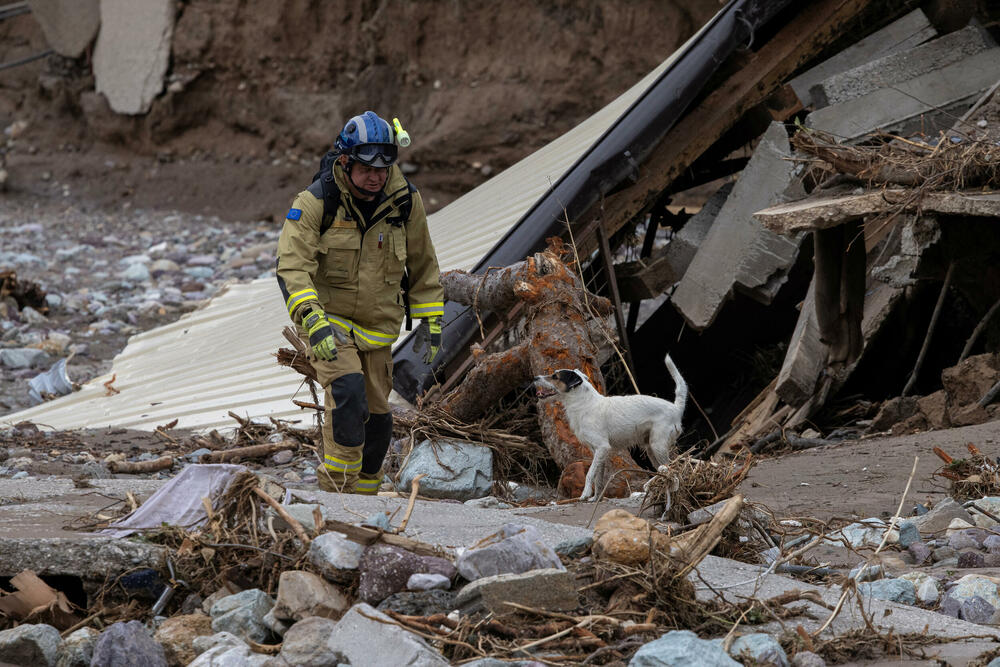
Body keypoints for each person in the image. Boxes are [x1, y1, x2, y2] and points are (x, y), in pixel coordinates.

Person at [276, 111, 443, 494]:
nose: (376, 177)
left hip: (377, 326)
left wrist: (433, 317)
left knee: (379, 417)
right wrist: (310, 318)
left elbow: (423, 262)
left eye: (384, 168)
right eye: (367, 168)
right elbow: (291, 265)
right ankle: (336, 489)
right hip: (328, 319)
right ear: (346, 161)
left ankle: (366, 494)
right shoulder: (317, 201)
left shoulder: (405, 202)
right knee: (347, 392)